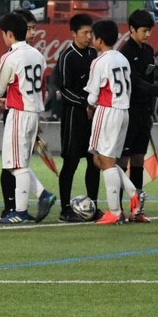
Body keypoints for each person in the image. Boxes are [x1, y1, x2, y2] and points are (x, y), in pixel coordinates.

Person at [0, 12, 56, 224]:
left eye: (3, 34)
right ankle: (42, 195)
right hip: (33, 113)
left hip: (19, 114)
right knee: (19, 162)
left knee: (16, 164)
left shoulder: (10, 57)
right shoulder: (38, 55)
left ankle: (21, 211)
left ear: (10, 34)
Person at [117, 9, 158, 222]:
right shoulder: (124, 53)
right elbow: (135, 83)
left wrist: (151, 110)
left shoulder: (149, 50)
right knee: (122, 160)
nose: (147, 35)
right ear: (131, 30)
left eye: (149, 31)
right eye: (143, 31)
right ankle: (117, 209)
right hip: (128, 111)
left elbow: (149, 82)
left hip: (143, 112)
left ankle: (137, 208)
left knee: (138, 159)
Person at [85, 19, 140, 224]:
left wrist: (90, 106)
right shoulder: (122, 59)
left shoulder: (99, 61)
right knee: (106, 160)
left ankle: (115, 211)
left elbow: (92, 95)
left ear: (99, 40)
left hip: (107, 111)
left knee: (103, 161)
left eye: (93, 36)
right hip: (123, 111)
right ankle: (134, 193)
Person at [54, 13, 102, 222]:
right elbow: (63, 89)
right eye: (85, 33)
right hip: (74, 116)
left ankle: (93, 205)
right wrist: (85, 103)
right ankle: (65, 209)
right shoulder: (67, 57)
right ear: (74, 33)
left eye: (91, 32)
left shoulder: (95, 54)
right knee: (71, 162)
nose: (89, 37)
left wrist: (95, 105)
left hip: (93, 116)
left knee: (94, 162)